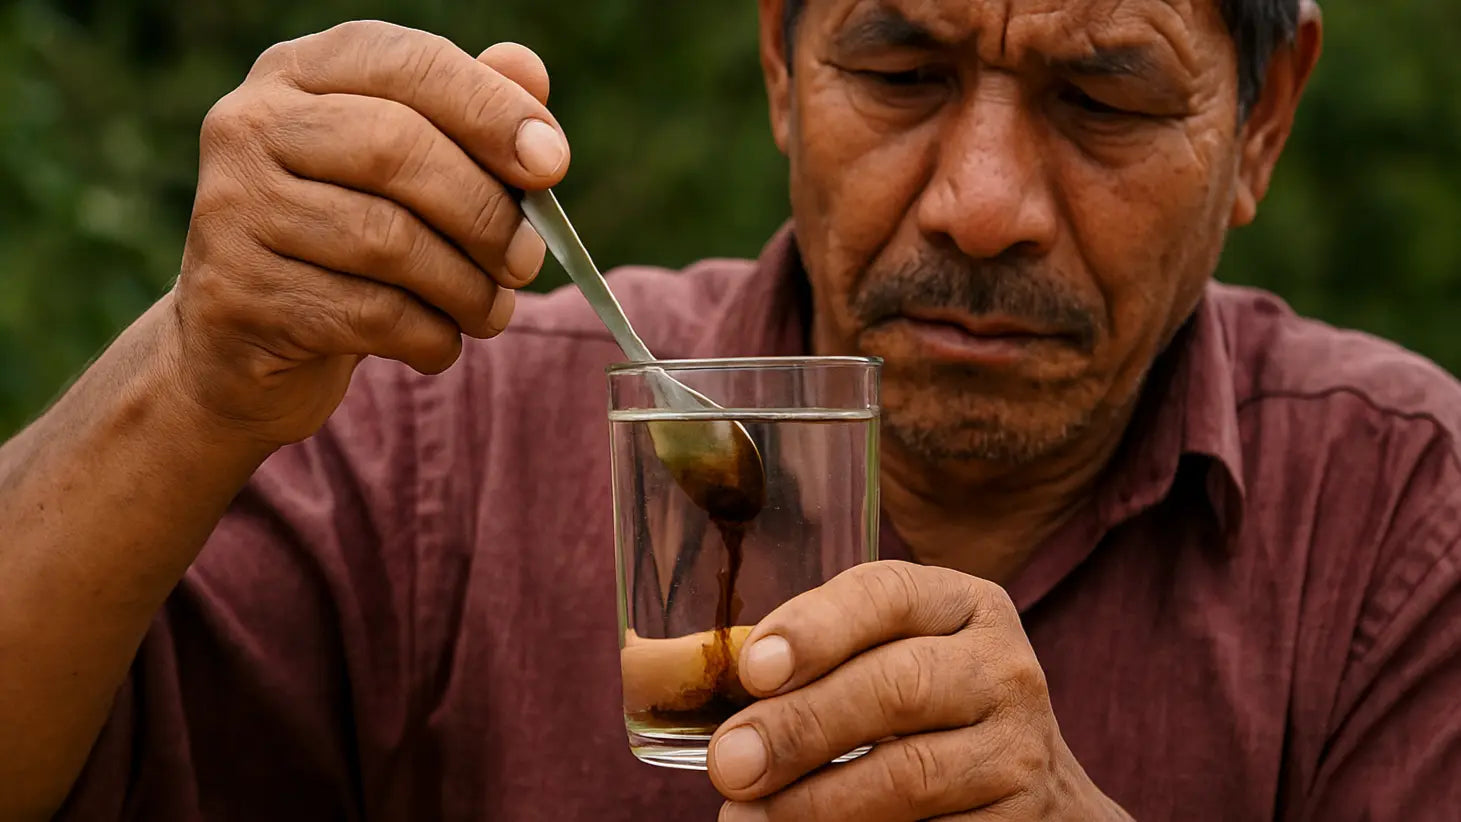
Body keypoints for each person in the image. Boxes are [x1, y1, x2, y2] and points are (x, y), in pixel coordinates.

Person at [2, 0, 1458, 819]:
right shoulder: (452, 441)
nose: (982, 203)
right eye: (899, 74)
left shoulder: (1407, 525)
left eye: (1103, 101)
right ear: (779, 64)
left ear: (1260, 122)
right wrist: (189, 374)